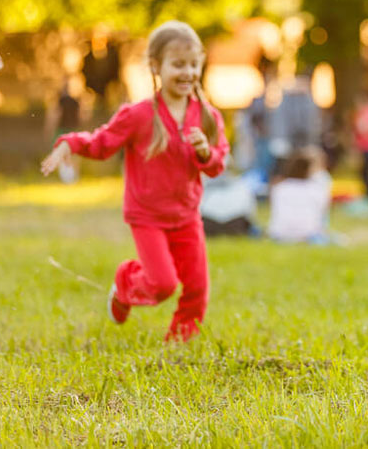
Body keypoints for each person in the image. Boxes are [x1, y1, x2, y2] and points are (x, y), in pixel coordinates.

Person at [41, 20, 228, 342]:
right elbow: (103, 142)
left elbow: (218, 163)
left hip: (186, 215)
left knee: (197, 287)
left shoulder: (209, 116)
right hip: (147, 216)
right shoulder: (140, 114)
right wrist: (70, 142)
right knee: (162, 285)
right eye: (178, 64)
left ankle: (179, 344)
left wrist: (204, 152)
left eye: (194, 64)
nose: (188, 72)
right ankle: (126, 282)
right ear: (156, 66)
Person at [267, 146, 337, 244]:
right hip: (308, 234)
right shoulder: (317, 189)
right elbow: (322, 216)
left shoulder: (279, 187)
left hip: (279, 233)